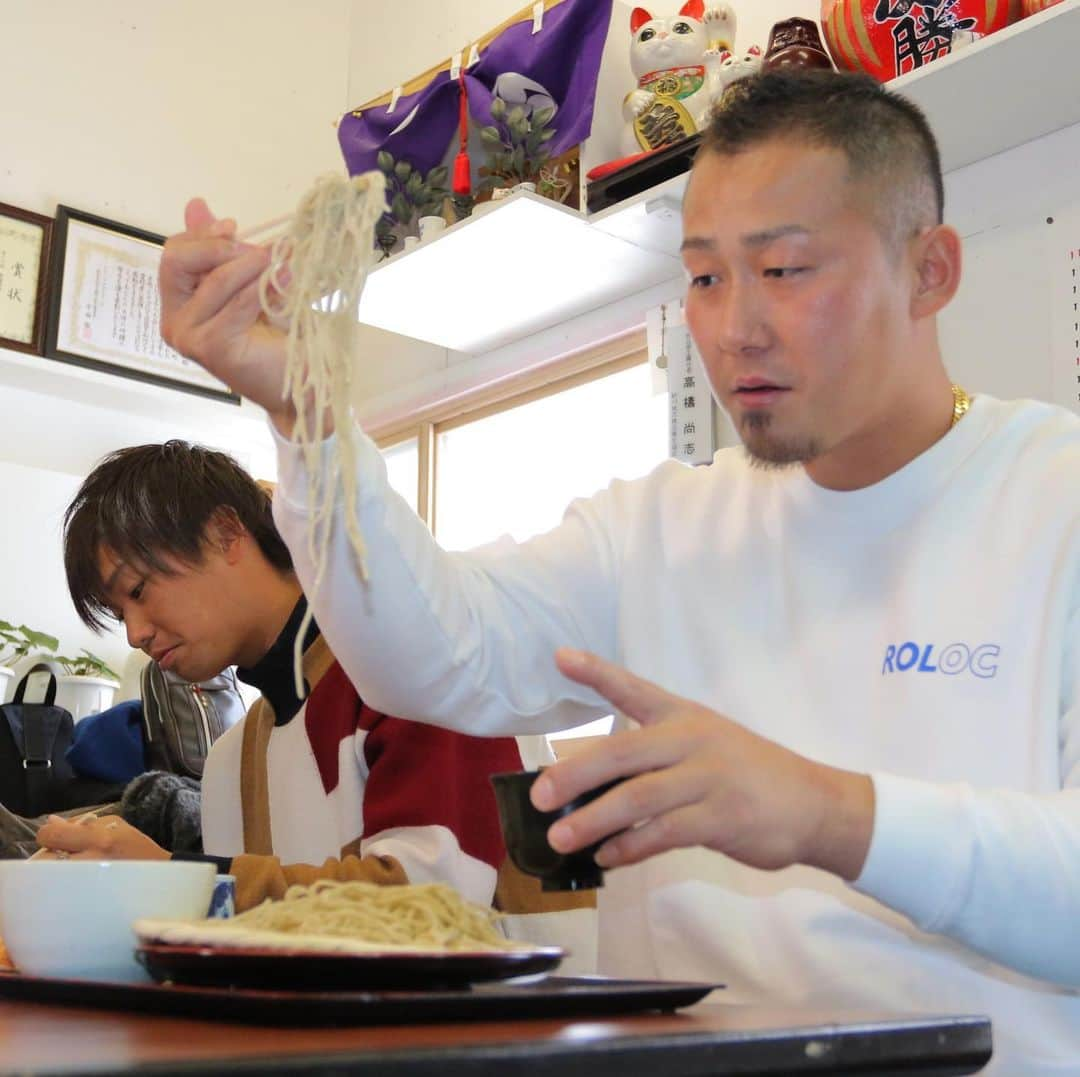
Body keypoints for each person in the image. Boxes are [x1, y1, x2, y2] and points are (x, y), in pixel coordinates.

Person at [154, 69, 1078, 1072]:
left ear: (930, 270)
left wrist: (825, 812)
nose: (735, 328)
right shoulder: (659, 524)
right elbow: (426, 654)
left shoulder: (1051, 501)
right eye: (707, 277)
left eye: (786, 269)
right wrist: (306, 411)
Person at [39, 442, 587, 935]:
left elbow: (430, 913)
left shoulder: (416, 661)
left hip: (525, 1032)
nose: (136, 634)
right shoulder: (234, 756)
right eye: (119, 614)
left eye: (138, 590)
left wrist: (175, 880)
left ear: (225, 533)